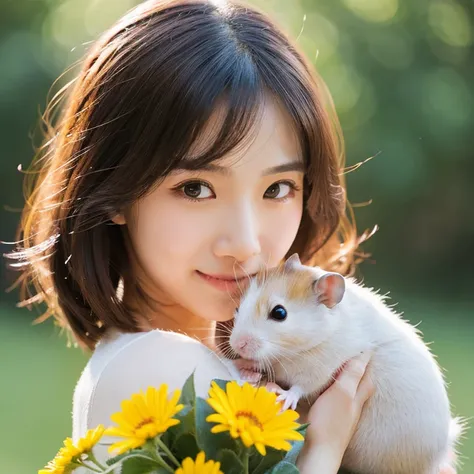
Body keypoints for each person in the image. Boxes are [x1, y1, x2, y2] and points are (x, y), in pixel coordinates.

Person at [7, 0, 455, 472]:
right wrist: (325, 448)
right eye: (195, 188)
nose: (245, 244)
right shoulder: (157, 370)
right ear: (114, 189)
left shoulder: (221, 361)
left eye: (277, 188)